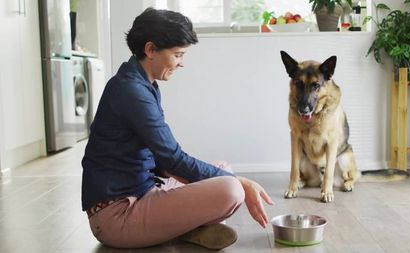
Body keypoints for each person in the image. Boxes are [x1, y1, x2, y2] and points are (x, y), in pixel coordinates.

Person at [81, 7, 274, 250]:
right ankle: (185, 228)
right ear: (150, 49)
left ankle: (184, 228)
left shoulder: (141, 83)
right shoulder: (131, 91)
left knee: (222, 169)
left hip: (145, 191)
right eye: (178, 55)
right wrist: (241, 183)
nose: (182, 63)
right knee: (231, 188)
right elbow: (172, 159)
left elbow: (162, 162)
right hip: (117, 216)